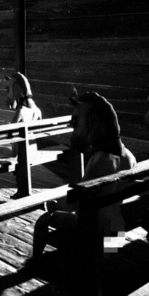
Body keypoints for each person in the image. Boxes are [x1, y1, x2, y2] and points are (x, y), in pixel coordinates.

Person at [27, 91, 136, 271]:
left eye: (76, 122)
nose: (74, 129)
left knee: (43, 221)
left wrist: (54, 205)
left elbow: (75, 204)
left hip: (96, 236)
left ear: (92, 121)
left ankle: (34, 265)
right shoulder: (128, 156)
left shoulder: (100, 161)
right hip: (117, 234)